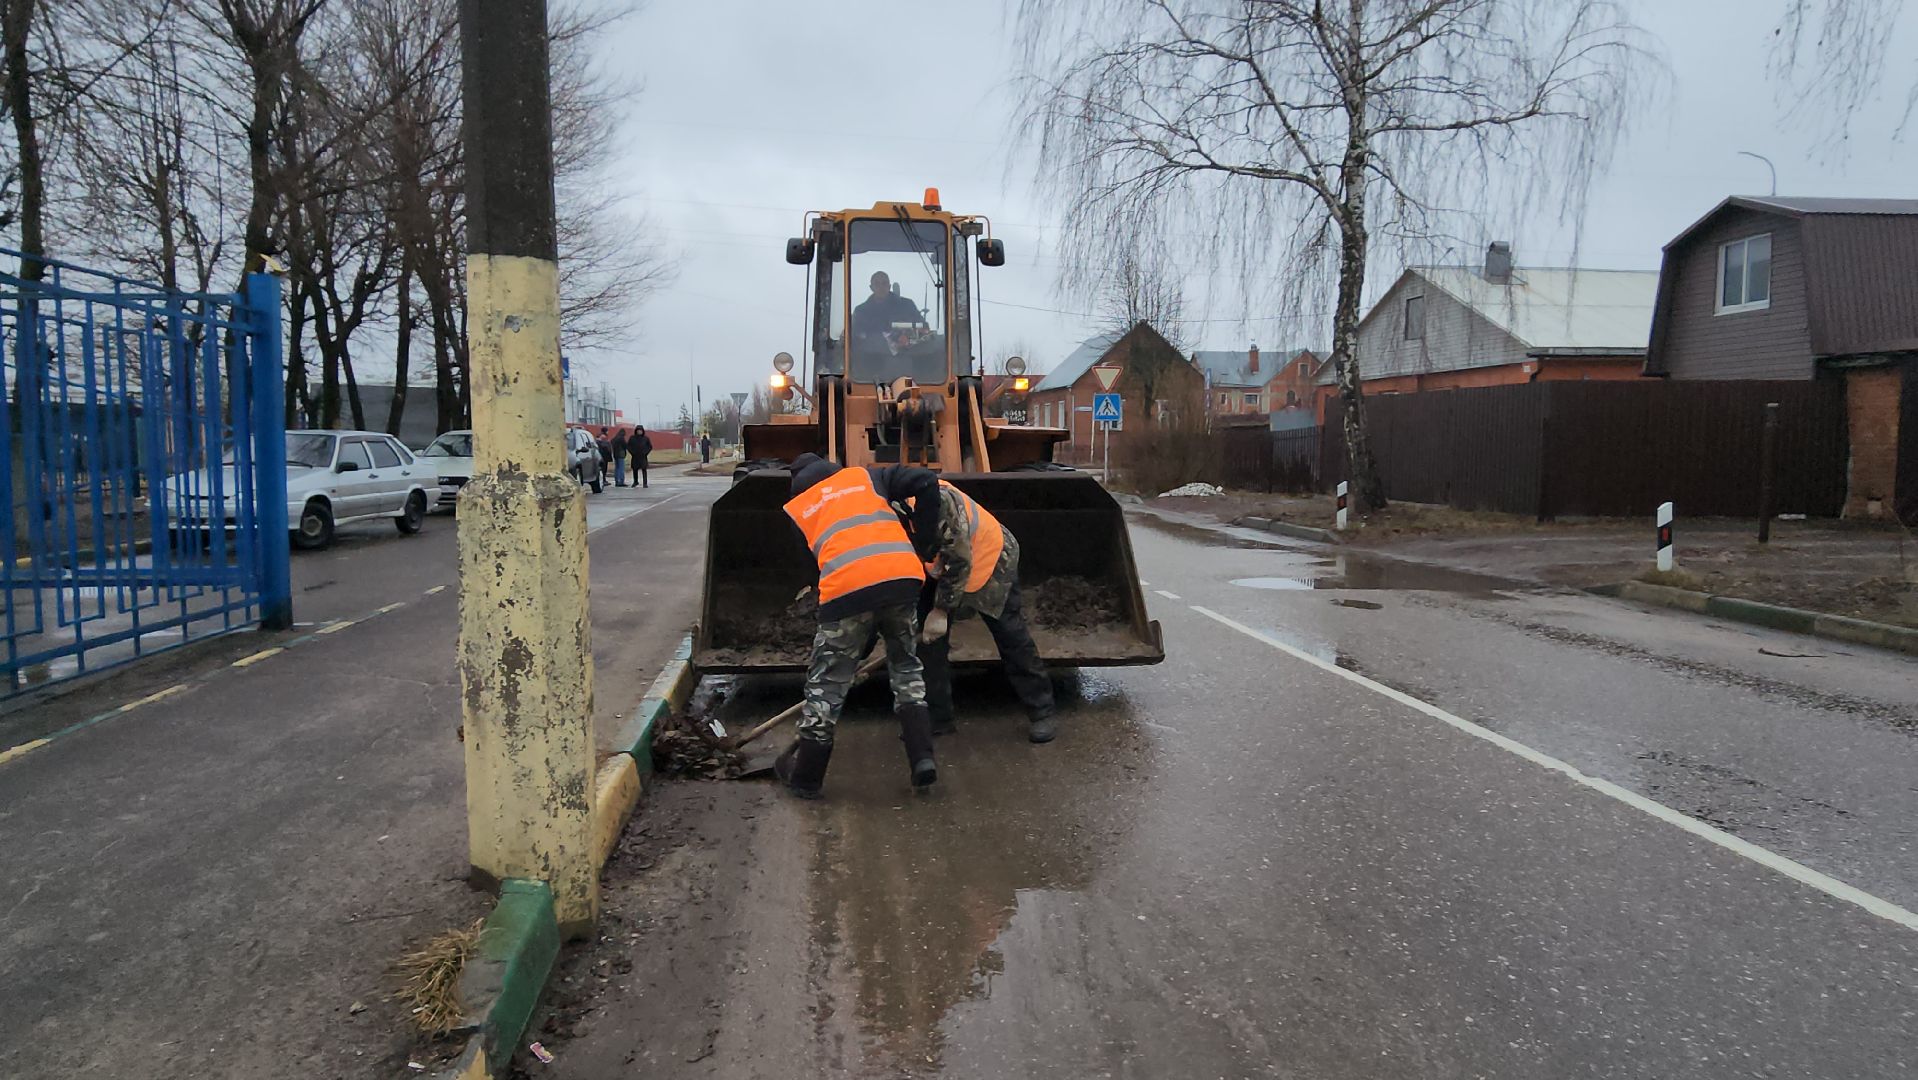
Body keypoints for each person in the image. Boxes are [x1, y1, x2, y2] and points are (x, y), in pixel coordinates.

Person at [776, 452, 942, 798]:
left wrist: (848, 638)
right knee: (906, 669)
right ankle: (922, 759)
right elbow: (927, 481)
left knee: (827, 685)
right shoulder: (868, 477)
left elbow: (816, 573)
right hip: (902, 579)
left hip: (846, 591)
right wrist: (925, 544)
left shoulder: (798, 509)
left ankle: (806, 779)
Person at [912, 479, 1058, 743]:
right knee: (928, 641)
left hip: (987, 556)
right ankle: (938, 718)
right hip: (940, 562)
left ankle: (1042, 711)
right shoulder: (886, 510)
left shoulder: (937, 500)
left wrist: (942, 610)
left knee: (1009, 634)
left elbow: (960, 560)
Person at [850, 271, 925, 345]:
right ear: (871, 287)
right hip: (871, 352)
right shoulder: (861, 312)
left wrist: (907, 335)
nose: (881, 287)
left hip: (906, 351)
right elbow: (854, 337)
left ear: (889, 286)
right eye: (877, 284)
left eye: (884, 283)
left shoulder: (907, 305)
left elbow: (923, 327)